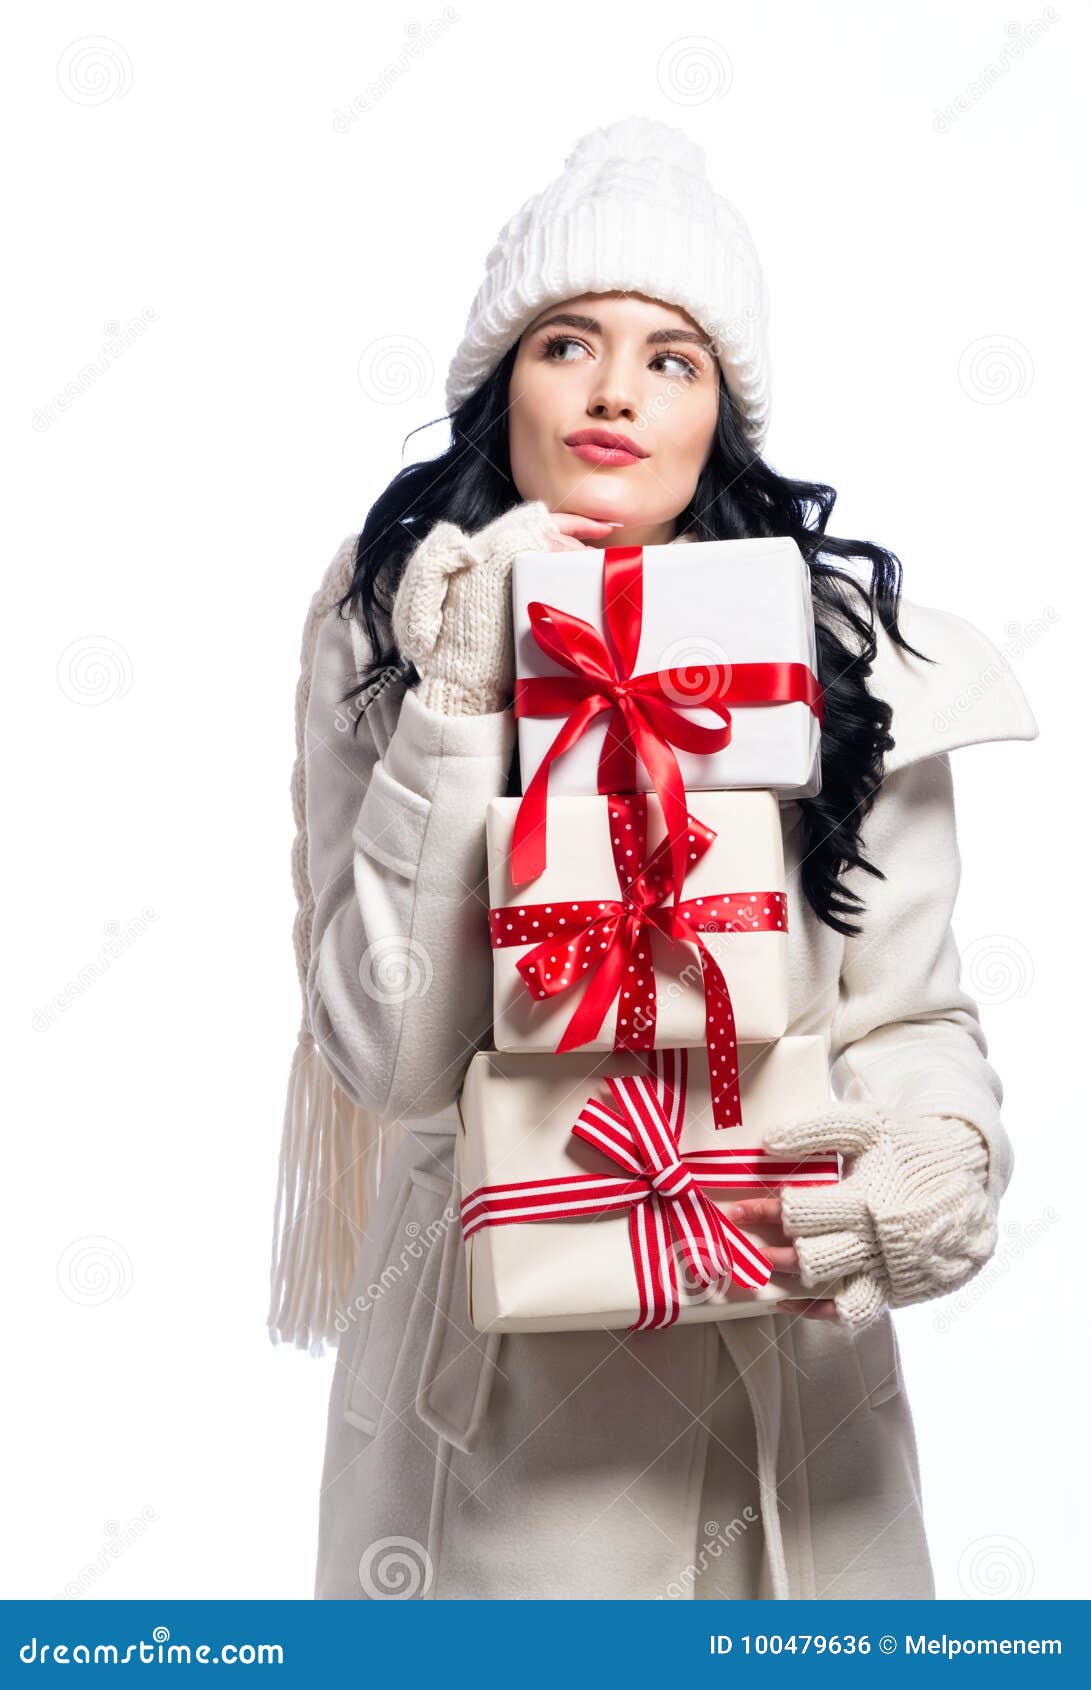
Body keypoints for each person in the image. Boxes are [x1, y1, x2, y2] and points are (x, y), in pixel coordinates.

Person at [268, 117, 1038, 1601]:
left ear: (719, 413)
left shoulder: (853, 663)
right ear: (503, 385)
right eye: (569, 342)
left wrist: (939, 1157)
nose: (616, 389)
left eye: (671, 357)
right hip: (495, 1400)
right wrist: (458, 706)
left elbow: (911, 1014)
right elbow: (387, 1054)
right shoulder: (392, 630)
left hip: (787, 1375)